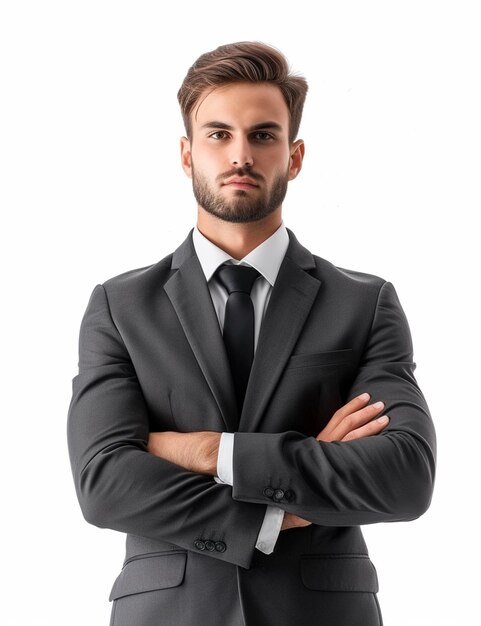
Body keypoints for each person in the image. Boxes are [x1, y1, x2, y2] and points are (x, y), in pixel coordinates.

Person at [67, 41, 436, 626]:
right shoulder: (120, 306)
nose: (240, 155)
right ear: (187, 155)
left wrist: (206, 451)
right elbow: (104, 482)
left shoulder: (363, 304)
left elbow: (404, 475)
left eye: (263, 135)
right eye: (218, 135)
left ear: (294, 156)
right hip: (169, 612)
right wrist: (276, 503)